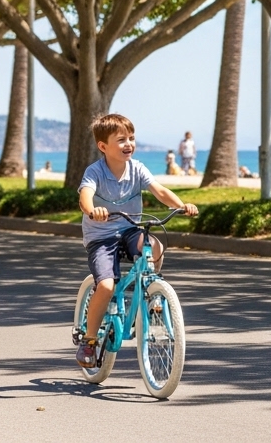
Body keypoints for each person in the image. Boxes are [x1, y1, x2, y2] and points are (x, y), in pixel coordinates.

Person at [76, 113, 198, 368]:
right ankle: (88, 341)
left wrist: (181, 205)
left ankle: (153, 294)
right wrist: (91, 211)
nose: (128, 143)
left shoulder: (138, 168)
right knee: (107, 286)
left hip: (130, 228)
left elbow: (160, 191)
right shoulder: (95, 172)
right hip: (101, 235)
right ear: (103, 146)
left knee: (156, 246)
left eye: (131, 138)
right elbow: (85, 196)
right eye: (121, 140)